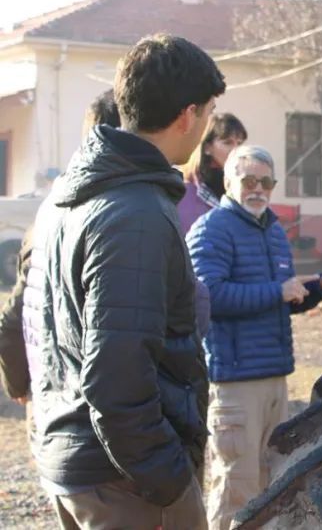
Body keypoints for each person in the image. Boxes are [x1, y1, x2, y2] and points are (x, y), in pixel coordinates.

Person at [22, 34, 225, 529]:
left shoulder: (74, 196)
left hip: (77, 462)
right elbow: (116, 378)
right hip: (124, 479)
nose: (206, 128)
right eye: (210, 115)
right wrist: (169, 480)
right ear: (188, 115)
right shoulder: (135, 212)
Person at [186, 144, 322, 530]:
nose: (257, 189)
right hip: (235, 383)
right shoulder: (211, 229)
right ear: (228, 182)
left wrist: (321, 287)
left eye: (266, 181)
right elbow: (207, 295)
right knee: (236, 487)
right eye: (248, 181)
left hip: (276, 377)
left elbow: (282, 299)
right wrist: (277, 292)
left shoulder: (273, 231)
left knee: (272, 485)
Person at [0, 90, 120, 407]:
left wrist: (21, 386)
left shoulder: (48, 210)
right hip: (86, 411)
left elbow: (12, 317)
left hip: (52, 400)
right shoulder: (116, 215)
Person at [178, 112, 248, 234]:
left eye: (240, 143)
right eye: (228, 142)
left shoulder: (245, 187)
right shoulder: (184, 193)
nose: (236, 149)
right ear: (207, 147)